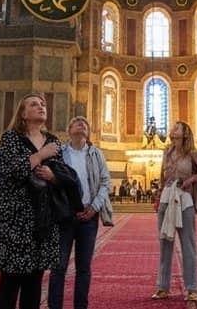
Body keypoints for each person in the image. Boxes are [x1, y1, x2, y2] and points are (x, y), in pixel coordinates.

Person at [0, 93, 64, 309]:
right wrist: (40, 156)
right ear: (23, 114)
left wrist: (53, 177)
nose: (41, 106)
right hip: (14, 220)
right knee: (10, 282)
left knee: (34, 282)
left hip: (43, 220)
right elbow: (9, 170)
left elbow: (63, 178)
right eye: (34, 104)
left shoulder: (53, 141)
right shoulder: (11, 138)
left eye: (43, 104)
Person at [51, 116, 113, 309]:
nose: (82, 124)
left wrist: (94, 207)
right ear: (69, 130)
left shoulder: (96, 154)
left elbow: (105, 182)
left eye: (85, 123)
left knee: (84, 268)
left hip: (89, 217)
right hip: (64, 217)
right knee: (58, 267)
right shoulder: (59, 153)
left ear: (88, 132)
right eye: (77, 122)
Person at [150, 121, 197, 301]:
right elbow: (163, 177)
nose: (172, 129)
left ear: (185, 133)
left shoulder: (193, 153)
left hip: (184, 201)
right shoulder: (167, 152)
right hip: (166, 200)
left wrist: (194, 178)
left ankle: (192, 288)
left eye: (177, 128)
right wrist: (159, 196)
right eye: (173, 128)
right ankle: (163, 287)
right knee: (165, 243)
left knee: (188, 244)